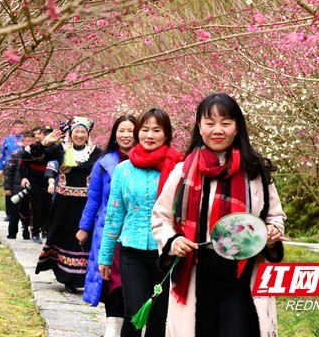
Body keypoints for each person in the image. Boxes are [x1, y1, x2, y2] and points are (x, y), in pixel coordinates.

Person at [151, 93, 288, 337]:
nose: (218, 130)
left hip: (241, 276)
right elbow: (161, 218)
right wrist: (173, 241)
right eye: (210, 123)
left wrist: (271, 232)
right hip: (195, 274)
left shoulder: (255, 172)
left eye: (225, 123)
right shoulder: (183, 171)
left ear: (237, 127)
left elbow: (275, 216)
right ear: (199, 126)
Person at [98, 108, 182, 337]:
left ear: (167, 134)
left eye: (157, 130)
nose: (150, 135)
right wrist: (105, 258)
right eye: (145, 130)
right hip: (131, 251)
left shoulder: (178, 168)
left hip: (166, 253)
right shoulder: (123, 170)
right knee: (133, 312)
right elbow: (114, 215)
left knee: (159, 317)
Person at [76, 114, 137, 337]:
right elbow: (93, 199)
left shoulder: (147, 162)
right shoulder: (103, 163)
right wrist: (84, 227)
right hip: (108, 230)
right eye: (121, 130)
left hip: (135, 231)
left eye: (130, 130)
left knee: (133, 282)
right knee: (111, 279)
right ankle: (112, 328)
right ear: (114, 134)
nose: (125, 135)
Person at [31, 116, 102, 294]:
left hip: (85, 206)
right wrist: (44, 143)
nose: (79, 135)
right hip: (63, 204)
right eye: (76, 131)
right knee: (63, 238)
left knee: (82, 241)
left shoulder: (96, 153)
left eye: (82, 132)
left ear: (88, 134)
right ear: (70, 133)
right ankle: (64, 275)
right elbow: (36, 156)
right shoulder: (60, 150)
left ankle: (80, 277)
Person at [19, 124, 54, 243]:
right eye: (44, 133)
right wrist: (24, 177)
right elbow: (23, 160)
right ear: (40, 135)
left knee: (48, 208)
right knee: (35, 208)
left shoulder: (55, 148)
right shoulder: (33, 147)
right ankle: (35, 232)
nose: (47, 136)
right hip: (34, 183)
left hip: (50, 183)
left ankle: (46, 230)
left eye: (49, 133)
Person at [3, 131, 36, 240]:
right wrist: (7, 187)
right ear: (23, 142)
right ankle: (12, 234)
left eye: (32, 141)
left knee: (27, 212)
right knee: (14, 213)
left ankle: (26, 233)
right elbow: (8, 171)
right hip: (16, 187)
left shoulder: (36, 156)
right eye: (27, 141)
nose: (30, 143)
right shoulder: (16, 155)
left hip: (31, 189)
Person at [0, 119, 25, 221]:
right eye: (16, 127)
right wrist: (0, 168)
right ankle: (9, 213)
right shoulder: (7, 140)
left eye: (20, 127)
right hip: (9, 167)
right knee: (8, 189)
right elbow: (2, 154)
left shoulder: (24, 139)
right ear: (13, 128)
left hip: (20, 167)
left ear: (23, 128)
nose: (18, 129)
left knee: (20, 189)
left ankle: (21, 213)